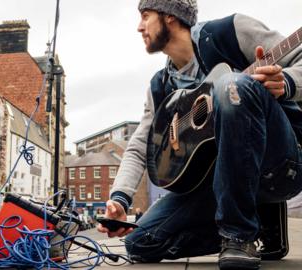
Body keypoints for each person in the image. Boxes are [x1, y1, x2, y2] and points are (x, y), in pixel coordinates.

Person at [97, 1, 302, 269]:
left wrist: (287, 82)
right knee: (140, 242)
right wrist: (119, 198)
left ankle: (239, 236)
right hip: (219, 181)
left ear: (170, 17)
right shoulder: (160, 87)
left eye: (145, 16)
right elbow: (140, 146)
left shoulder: (231, 31)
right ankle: (261, 223)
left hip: (279, 163)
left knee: (231, 85)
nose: (139, 27)